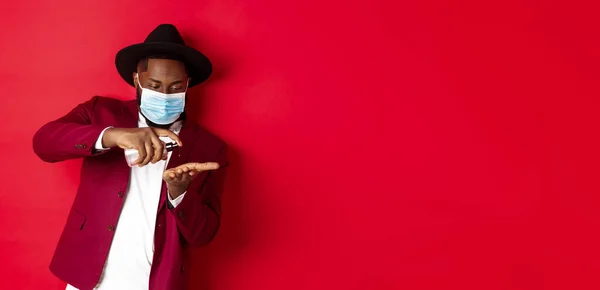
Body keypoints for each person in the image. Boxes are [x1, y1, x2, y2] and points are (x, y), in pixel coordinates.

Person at [32, 24, 228, 290]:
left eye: (175, 87)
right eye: (154, 85)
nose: (164, 94)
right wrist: (113, 136)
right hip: (88, 274)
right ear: (137, 80)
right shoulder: (100, 112)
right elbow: (44, 142)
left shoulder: (209, 148)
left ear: (187, 85)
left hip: (156, 282)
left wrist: (180, 193)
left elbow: (203, 234)